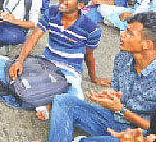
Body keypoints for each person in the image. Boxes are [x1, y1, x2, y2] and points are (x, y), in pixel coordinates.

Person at [0, 0, 109, 121]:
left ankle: (39, 96)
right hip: (44, 65)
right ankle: (44, 97)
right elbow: (34, 37)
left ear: (80, 5)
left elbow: (89, 56)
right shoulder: (52, 12)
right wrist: (19, 61)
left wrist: (94, 78)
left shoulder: (92, 29)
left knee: (76, 105)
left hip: (69, 73)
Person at [42, 12, 156, 141]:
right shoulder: (122, 58)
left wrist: (121, 110)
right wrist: (110, 97)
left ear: (147, 44)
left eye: (129, 33)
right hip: (112, 118)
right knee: (63, 101)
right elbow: (117, 92)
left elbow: (153, 130)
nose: (122, 34)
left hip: (137, 135)